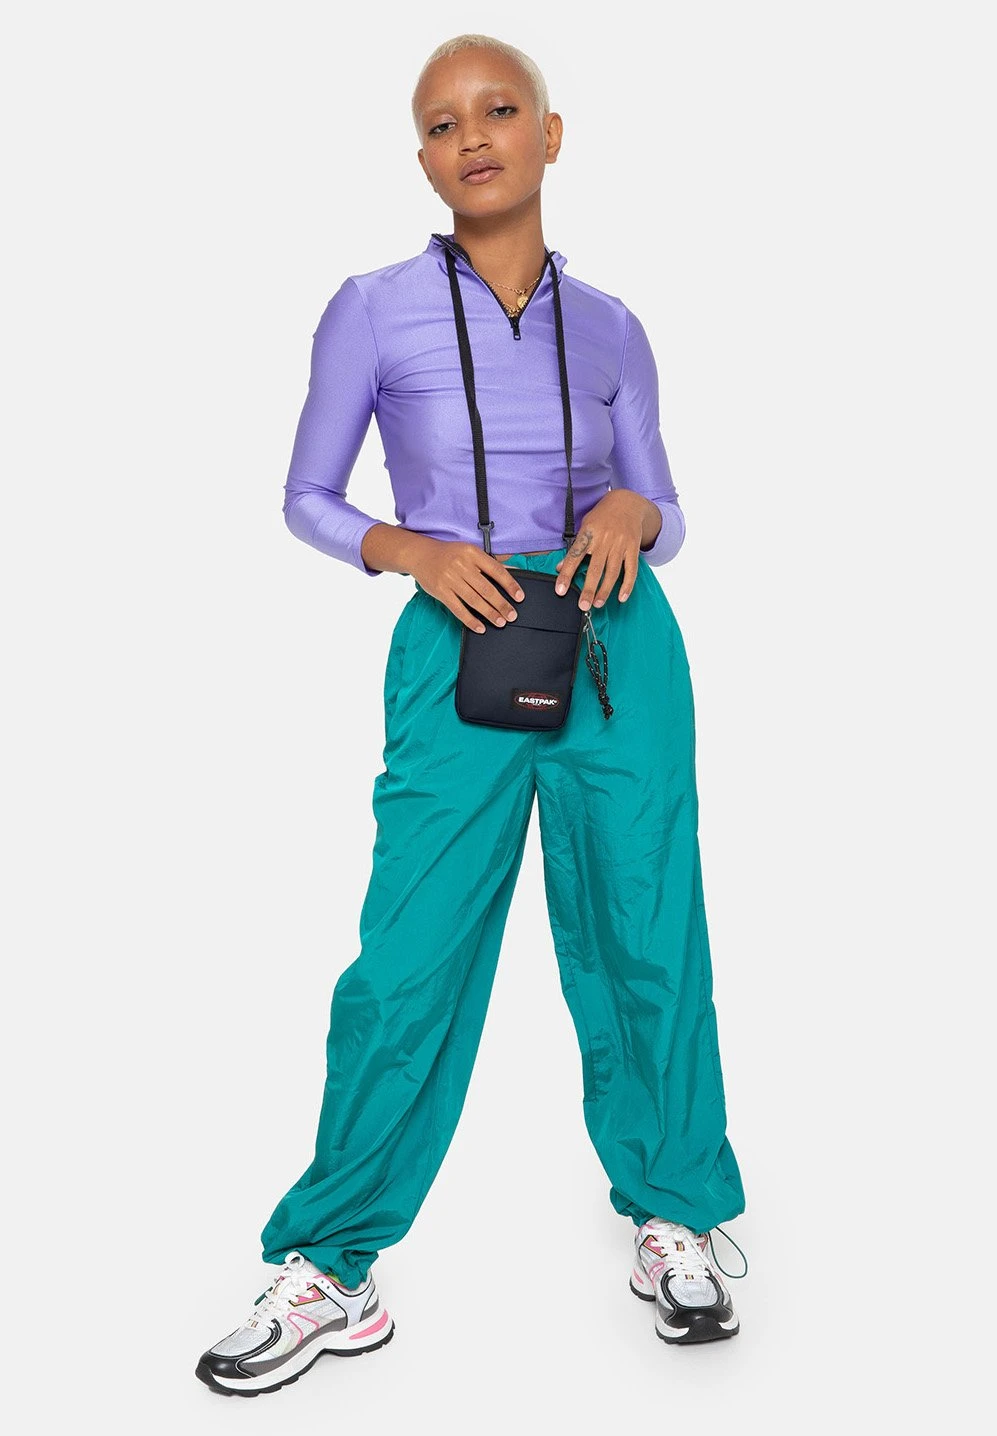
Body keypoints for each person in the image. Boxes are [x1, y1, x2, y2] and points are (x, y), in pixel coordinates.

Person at [196, 32, 747, 1397]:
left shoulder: (613, 326)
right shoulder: (371, 310)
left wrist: (633, 512)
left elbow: (667, 510)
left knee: (648, 934)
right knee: (410, 956)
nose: (474, 137)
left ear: (550, 136)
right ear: (425, 159)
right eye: (443, 124)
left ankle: (676, 1212)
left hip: (618, 648)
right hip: (459, 643)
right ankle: (332, 1263)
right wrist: (413, 552)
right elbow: (307, 498)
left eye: (500, 110)